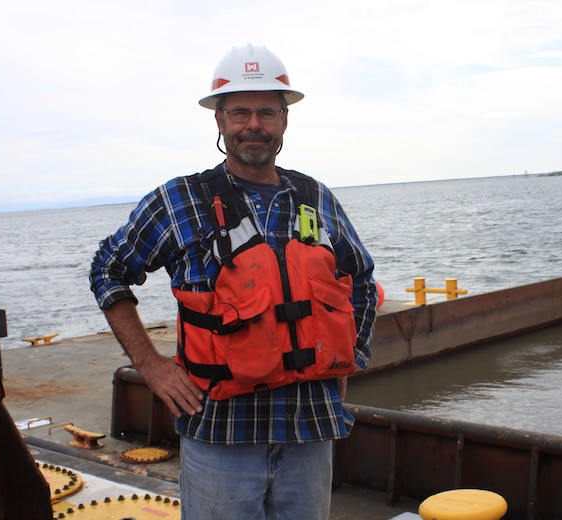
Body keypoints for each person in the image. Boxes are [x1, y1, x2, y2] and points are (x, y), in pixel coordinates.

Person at [89, 43, 377, 520]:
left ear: (285, 120)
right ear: (219, 121)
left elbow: (361, 279)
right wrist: (153, 367)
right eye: (240, 112)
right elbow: (108, 270)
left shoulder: (316, 198)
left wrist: (349, 359)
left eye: (267, 111)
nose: (254, 125)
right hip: (220, 438)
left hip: (310, 436)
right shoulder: (179, 200)